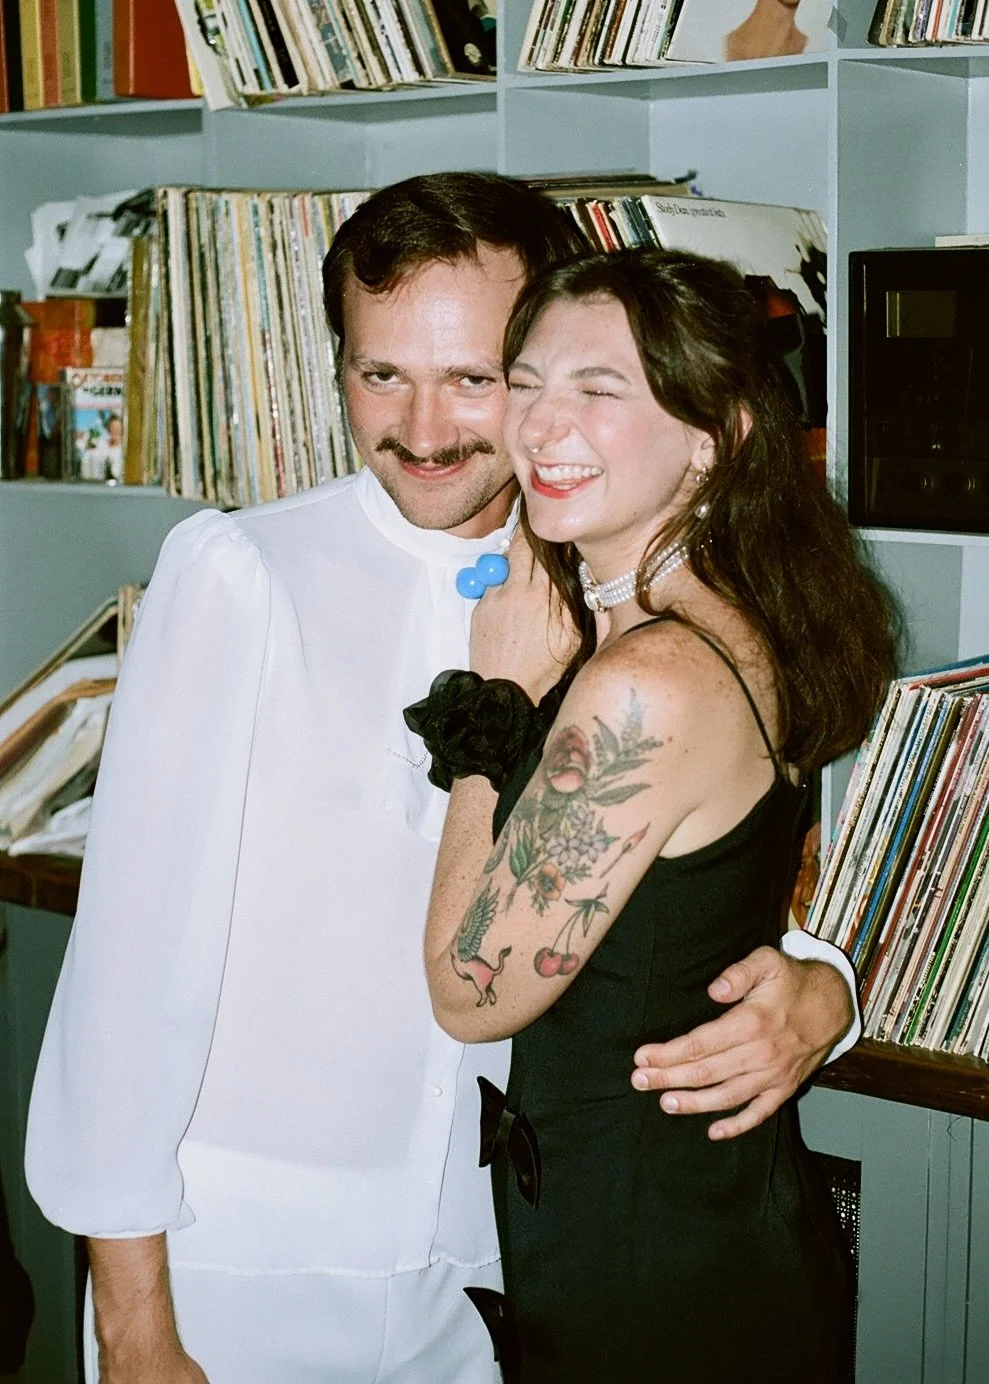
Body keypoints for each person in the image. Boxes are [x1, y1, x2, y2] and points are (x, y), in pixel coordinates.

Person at [25, 175, 858, 1384]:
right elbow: (125, 974)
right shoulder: (241, 574)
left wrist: (818, 983)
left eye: (473, 378)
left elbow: (726, 854)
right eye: (379, 376)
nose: (420, 428)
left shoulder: (614, 579)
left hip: (487, 1274)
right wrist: (132, 1318)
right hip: (247, 1265)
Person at [417, 247, 899, 1382]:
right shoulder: (736, 616)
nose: (541, 426)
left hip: (651, 1281)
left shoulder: (642, 684)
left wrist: (493, 713)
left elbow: (468, 990)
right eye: (526, 383)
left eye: (600, 390)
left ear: (714, 438)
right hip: (697, 1231)